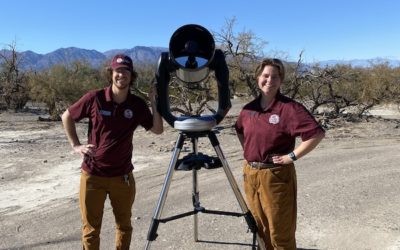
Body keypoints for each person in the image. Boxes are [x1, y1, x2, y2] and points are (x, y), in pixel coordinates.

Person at [61, 54, 163, 249]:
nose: (121, 75)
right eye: (117, 71)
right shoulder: (95, 98)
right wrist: (76, 145)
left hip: (122, 177)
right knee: (91, 230)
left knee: (124, 226)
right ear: (111, 74)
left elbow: (158, 130)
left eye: (126, 71)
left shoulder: (137, 105)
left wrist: (153, 102)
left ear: (131, 76)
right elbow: (67, 116)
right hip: (92, 175)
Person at [234, 58, 325, 250]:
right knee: (259, 226)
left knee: (280, 230)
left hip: (276, 175)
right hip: (251, 174)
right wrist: (250, 152)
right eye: (265, 75)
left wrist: (291, 156)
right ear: (258, 77)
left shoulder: (289, 108)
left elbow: (316, 134)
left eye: (275, 76)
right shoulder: (249, 109)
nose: (269, 80)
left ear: (281, 80)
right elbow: (240, 129)